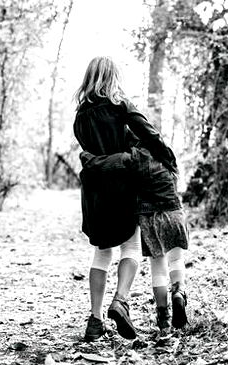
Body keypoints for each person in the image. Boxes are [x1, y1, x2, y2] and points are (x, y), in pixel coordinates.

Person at [74, 56, 178, 341]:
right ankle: (120, 301)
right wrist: (168, 159)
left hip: (94, 190)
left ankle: (94, 320)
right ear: (111, 78)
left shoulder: (81, 115)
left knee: (102, 251)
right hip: (122, 186)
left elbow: (87, 151)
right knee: (130, 248)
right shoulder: (121, 106)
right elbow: (149, 133)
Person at [80, 143, 189, 336]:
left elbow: (119, 163)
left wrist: (90, 159)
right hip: (175, 214)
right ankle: (178, 291)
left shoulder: (136, 158)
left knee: (156, 265)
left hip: (150, 218)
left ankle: (162, 317)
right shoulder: (167, 158)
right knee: (175, 260)